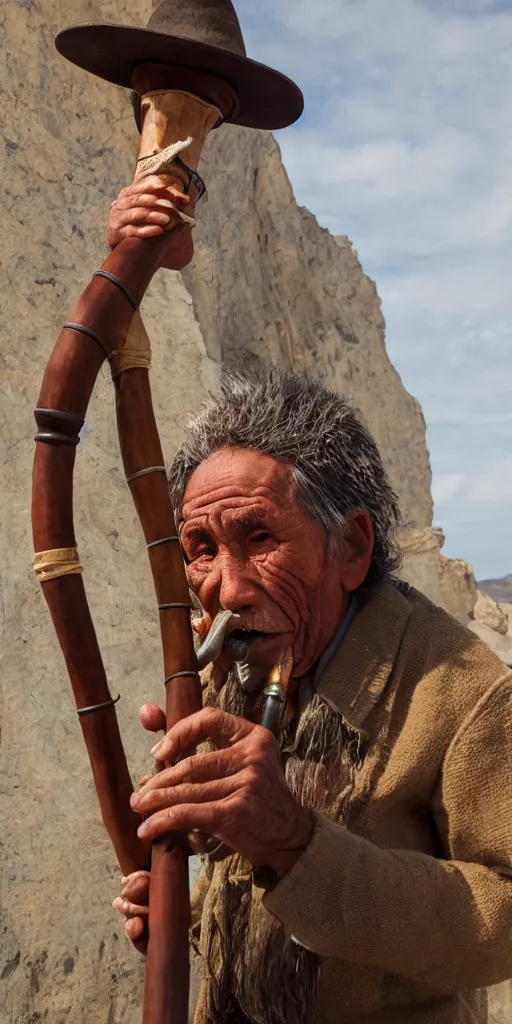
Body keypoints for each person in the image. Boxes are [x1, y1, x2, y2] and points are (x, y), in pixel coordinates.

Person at [107, 181, 512, 1024]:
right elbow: (234, 867)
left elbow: (504, 914)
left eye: (260, 538)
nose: (223, 585)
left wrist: (296, 841)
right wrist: (180, 908)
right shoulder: (233, 656)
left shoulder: (462, 688)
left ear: (352, 546)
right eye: (202, 549)